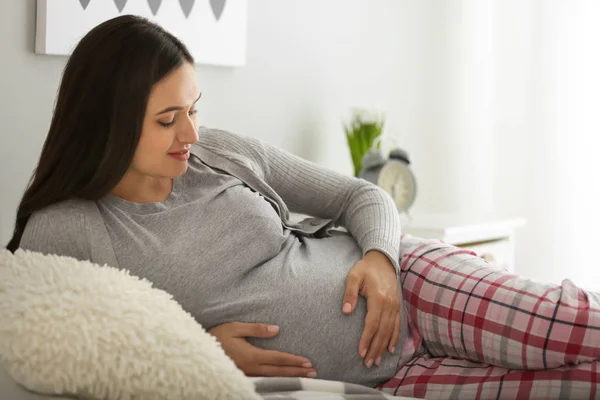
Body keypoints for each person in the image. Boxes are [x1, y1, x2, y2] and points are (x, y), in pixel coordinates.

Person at [7, 15, 599, 400]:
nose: (191, 132)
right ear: (107, 124)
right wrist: (203, 346)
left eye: (194, 108)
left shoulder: (224, 152)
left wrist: (381, 260)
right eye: (167, 120)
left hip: (415, 288)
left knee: (574, 328)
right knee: (580, 384)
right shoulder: (72, 229)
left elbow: (361, 194)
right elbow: (64, 339)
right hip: (386, 375)